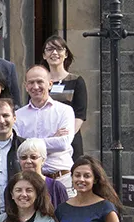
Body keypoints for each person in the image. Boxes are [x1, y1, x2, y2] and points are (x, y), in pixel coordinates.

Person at [14, 65, 76, 194]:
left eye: (40, 82)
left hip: (61, 179)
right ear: (26, 86)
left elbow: (63, 143)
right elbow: (17, 145)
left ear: (50, 84)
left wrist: (30, 143)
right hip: (31, 182)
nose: (35, 87)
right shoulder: (18, 115)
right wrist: (52, 138)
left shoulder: (65, 111)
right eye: (31, 82)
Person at [43, 35, 87, 163]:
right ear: (44, 55)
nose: (54, 53)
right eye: (50, 49)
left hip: (70, 141)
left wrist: (63, 138)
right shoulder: (40, 82)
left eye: (59, 49)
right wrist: (51, 138)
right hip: (45, 141)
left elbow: (79, 115)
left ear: (66, 54)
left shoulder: (76, 81)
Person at [18, 138, 69, 209]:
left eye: (33, 157)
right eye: (23, 157)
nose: (28, 161)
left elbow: (65, 216)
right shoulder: (13, 187)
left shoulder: (56, 188)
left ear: (43, 160)